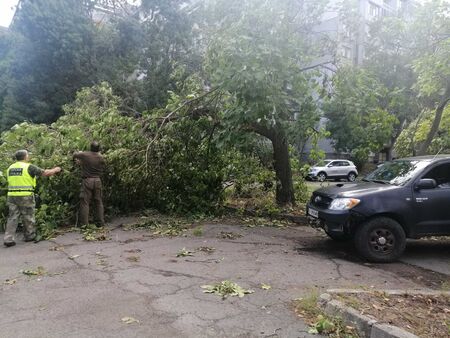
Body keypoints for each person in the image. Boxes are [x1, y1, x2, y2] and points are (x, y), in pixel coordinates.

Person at [4, 150, 61, 247]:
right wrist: (56, 169)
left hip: (12, 195)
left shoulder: (10, 168)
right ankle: (30, 235)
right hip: (25, 195)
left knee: (12, 217)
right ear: (25, 157)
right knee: (28, 215)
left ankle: (8, 239)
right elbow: (45, 173)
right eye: (28, 155)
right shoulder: (29, 167)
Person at [73, 141, 106, 227]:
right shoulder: (101, 157)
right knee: (98, 201)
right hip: (98, 180)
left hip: (88, 180)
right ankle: (100, 223)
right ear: (99, 149)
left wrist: (79, 153)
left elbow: (74, 155)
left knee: (85, 202)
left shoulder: (85, 155)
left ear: (90, 147)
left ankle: (84, 224)